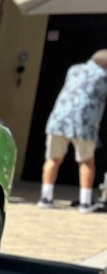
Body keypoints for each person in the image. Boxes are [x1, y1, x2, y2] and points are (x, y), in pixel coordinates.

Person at [37, 49, 107, 213]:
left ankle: (45, 198)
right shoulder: (103, 77)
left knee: (53, 159)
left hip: (58, 120)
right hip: (84, 123)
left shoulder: (74, 70)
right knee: (86, 161)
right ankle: (85, 203)